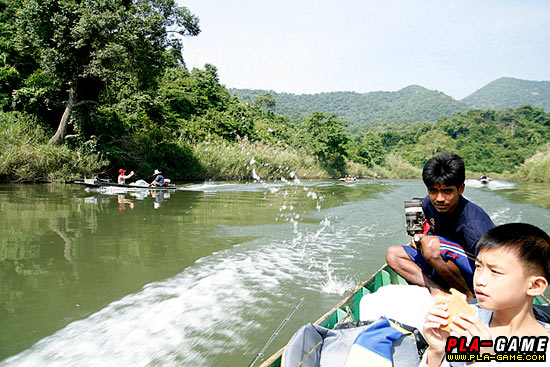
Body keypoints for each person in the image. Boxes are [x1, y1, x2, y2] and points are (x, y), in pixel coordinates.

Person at [421, 223, 550, 366]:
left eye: (495, 271)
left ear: (535, 286)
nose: (479, 280)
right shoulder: (464, 324)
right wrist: (436, 352)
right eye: (478, 266)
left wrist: (484, 361)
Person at [386, 153, 495, 300]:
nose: (439, 198)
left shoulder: (473, 224)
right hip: (445, 260)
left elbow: (494, 263)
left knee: (431, 246)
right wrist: (420, 238)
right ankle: (438, 290)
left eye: (447, 191)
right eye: (433, 191)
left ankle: (469, 297)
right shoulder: (428, 204)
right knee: (393, 254)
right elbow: (433, 230)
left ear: (461, 189)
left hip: (473, 271)